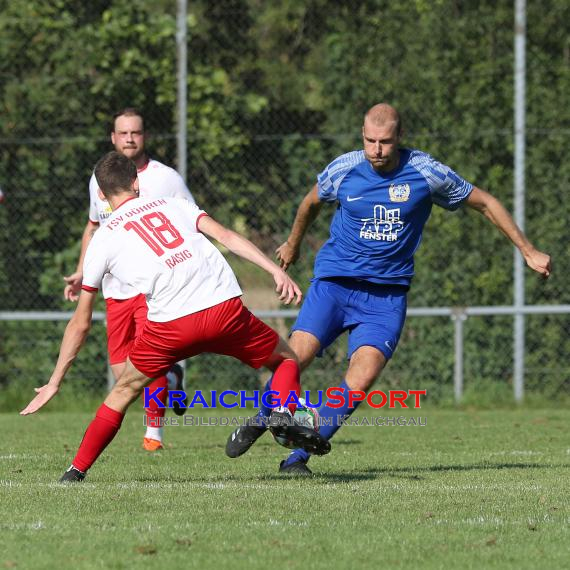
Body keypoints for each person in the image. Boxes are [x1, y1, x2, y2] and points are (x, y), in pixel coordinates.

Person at [225, 102, 552, 476]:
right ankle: (265, 415)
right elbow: (311, 202)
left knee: (361, 379)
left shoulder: (426, 172)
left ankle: (297, 459)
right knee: (293, 359)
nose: (376, 149)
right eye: (369, 141)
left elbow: (485, 202)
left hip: (385, 298)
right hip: (334, 286)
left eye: (385, 142)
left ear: (400, 137)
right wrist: (293, 243)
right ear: (362, 136)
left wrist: (527, 249)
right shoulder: (344, 169)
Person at [20, 151, 330, 482]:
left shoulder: (102, 239)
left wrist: (55, 382)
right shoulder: (172, 204)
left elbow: (81, 322)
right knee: (286, 360)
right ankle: (282, 414)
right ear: (136, 184)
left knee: (123, 391)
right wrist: (274, 271)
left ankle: (75, 471)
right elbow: (226, 236)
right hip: (222, 310)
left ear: (100, 194)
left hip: (170, 326)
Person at [63, 108, 195, 451]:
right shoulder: (100, 178)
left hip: (152, 287)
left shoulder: (166, 179)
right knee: (125, 372)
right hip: (115, 289)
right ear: (113, 137)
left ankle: (154, 433)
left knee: (145, 360)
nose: (129, 139)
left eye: (135, 133)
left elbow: (191, 222)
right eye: (123, 134)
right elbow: (93, 227)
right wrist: (82, 270)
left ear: (144, 136)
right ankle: (171, 378)